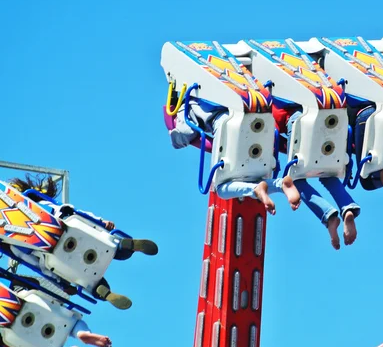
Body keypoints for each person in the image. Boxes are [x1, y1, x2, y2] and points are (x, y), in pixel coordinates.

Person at [7, 175, 158, 310]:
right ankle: (123, 246)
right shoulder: (45, 204)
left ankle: (103, 292)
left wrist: (61, 284)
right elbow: (77, 213)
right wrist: (101, 223)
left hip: (53, 256)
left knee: (85, 280)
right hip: (71, 227)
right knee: (108, 245)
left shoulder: (15, 246)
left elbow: (37, 266)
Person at [169, 99, 301, 216]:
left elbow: (186, 133)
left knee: (220, 188)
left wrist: (174, 134)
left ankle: (255, 189)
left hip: (228, 129)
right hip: (258, 126)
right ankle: (281, 184)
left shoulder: (189, 104)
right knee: (256, 177)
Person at [272, 104, 360, 250]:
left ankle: (329, 216)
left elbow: (273, 135)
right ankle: (347, 208)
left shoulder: (274, 104)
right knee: (328, 173)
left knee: (294, 181)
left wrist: (286, 150)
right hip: (328, 121)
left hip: (299, 123)